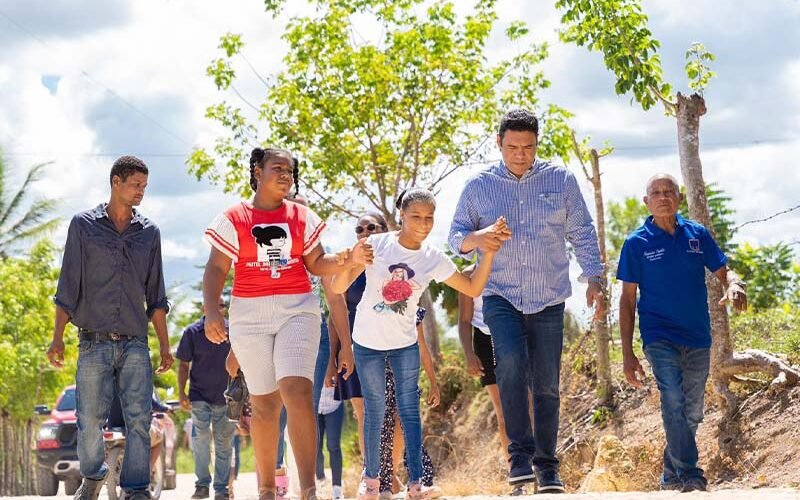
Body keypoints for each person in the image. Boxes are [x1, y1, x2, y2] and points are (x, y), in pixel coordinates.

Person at [448, 108, 604, 492]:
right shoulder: (478, 187)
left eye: (528, 147)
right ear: (498, 142)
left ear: (537, 145)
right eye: (513, 146)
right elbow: (455, 238)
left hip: (549, 297)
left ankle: (547, 467)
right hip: (499, 294)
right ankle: (519, 455)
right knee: (512, 365)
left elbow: (582, 232)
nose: (520, 154)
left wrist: (595, 279)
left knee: (547, 382)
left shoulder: (561, 180)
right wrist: (479, 237)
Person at [203, 147, 366, 500]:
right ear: (257, 171)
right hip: (249, 315)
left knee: (297, 391)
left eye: (290, 170)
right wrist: (212, 310)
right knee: (264, 405)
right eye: (277, 168)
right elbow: (217, 268)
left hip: (297, 310)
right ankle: (265, 489)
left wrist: (346, 260)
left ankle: (308, 489)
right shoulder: (234, 217)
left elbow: (317, 263)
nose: (285, 174)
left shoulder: (302, 216)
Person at [332, 187, 505, 500]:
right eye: (416, 216)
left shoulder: (431, 258)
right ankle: (371, 483)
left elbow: (472, 285)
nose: (423, 223)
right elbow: (338, 286)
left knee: (409, 411)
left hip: (404, 344)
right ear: (401, 215)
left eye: (429, 217)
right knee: (375, 411)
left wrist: (489, 251)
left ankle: (417, 483)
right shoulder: (375, 244)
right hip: (367, 343)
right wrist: (351, 261)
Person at [47, 155, 173, 500]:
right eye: (135, 185)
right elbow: (68, 287)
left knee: (138, 420)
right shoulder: (83, 226)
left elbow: (156, 296)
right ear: (115, 182)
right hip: (93, 342)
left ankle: (135, 489)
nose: (141, 192)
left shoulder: (149, 233)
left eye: (144, 187)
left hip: (135, 343)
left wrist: (164, 346)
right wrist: (57, 338)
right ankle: (93, 476)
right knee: (89, 420)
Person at [617, 173, 747, 493]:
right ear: (646, 201)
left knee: (691, 411)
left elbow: (723, 269)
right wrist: (627, 353)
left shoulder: (697, 235)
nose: (663, 197)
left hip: (697, 336)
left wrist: (734, 283)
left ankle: (669, 473)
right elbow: (627, 299)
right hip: (658, 334)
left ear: (680, 198)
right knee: (672, 398)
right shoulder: (636, 243)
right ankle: (691, 473)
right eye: (656, 192)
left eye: (669, 191)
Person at [378, 308, 440, 499]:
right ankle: (384, 482)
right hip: (381, 376)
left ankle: (419, 480)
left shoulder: (414, 312)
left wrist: (433, 382)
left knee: (409, 427)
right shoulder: (376, 308)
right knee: (384, 429)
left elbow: (422, 348)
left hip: (407, 376)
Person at [177, 300, 235, 500]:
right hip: (199, 395)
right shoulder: (192, 332)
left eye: (221, 305)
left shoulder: (233, 331)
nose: (218, 308)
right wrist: (181, 393)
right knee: (200, 439)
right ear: (205, 308)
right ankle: (202, 485)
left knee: (223, 443)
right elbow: (184, 365)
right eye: (214, 305)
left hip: (228, 397)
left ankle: (221, 489)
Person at [457, 264, 510, 461]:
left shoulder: (512, 264)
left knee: (527, 405)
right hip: (484, 339)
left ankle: (536, 465)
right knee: (503, 411)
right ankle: (515, 471)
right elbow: (464, 320)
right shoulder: (468, 274)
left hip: (514, 336)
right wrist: (469, 353)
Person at [315, 386, 345, 500]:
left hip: (335, 404)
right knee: (316, 447)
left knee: (334, 446)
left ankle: (337, 488)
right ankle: (320, 479)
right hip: (315, 405)